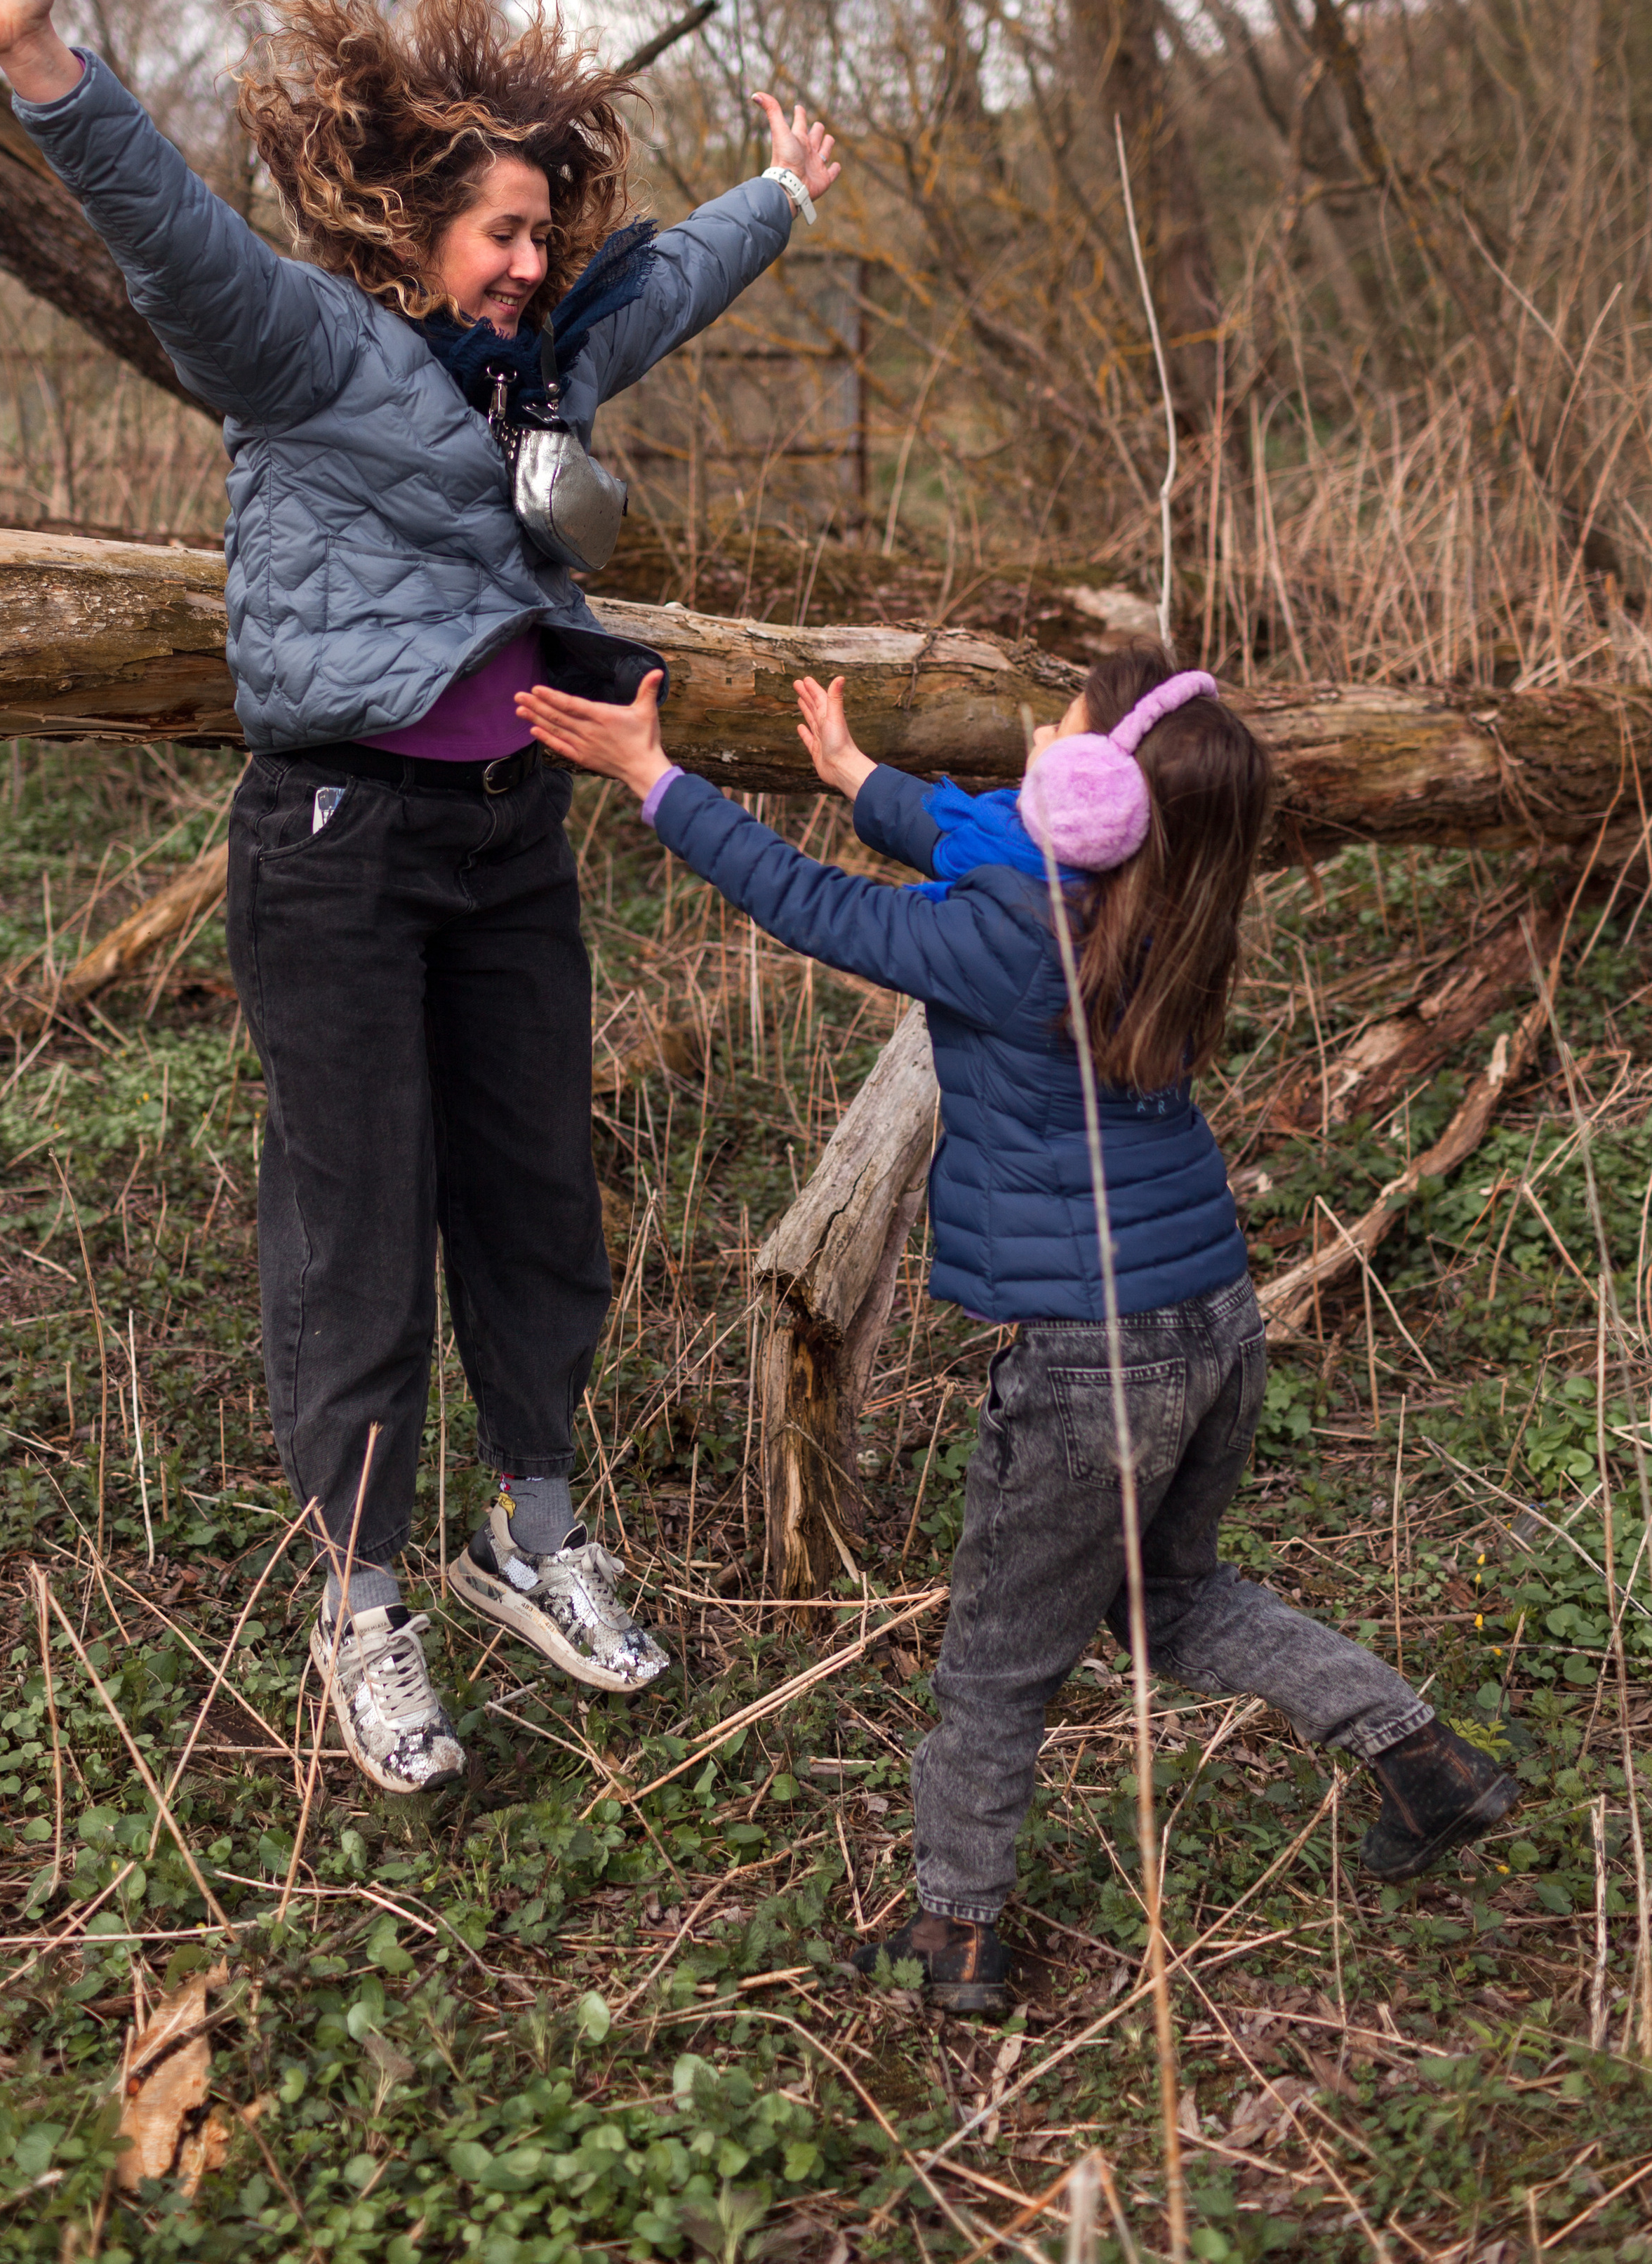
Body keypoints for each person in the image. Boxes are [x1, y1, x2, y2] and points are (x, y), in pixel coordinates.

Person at [0, 0, 839, 1797]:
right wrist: (44, 59)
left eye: (540, 234)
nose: (527, 261)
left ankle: (537, 1531)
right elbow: (171, 239)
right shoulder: (308, 351)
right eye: (496, 232)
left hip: (507, 835)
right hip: (338, 847)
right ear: (409, 233)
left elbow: (664, 281)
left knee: (535, 1195)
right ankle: (365, 1593)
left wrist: (785, 197)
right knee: (357, 1223)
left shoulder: (546, 359)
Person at [513, 646, 1520, 2013]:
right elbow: (977, 828)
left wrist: (652, 779)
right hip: (1210, 1320)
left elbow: (809, 907)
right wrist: (859, 776)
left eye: (1058, 731)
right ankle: (1426, 1761)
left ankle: (955, 1936)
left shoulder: (1011, 939)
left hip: (1089, 1360)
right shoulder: (1165, 885)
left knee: (991, 1662)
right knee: (1173, 1596)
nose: (1037, 743)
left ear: (1096, 786)